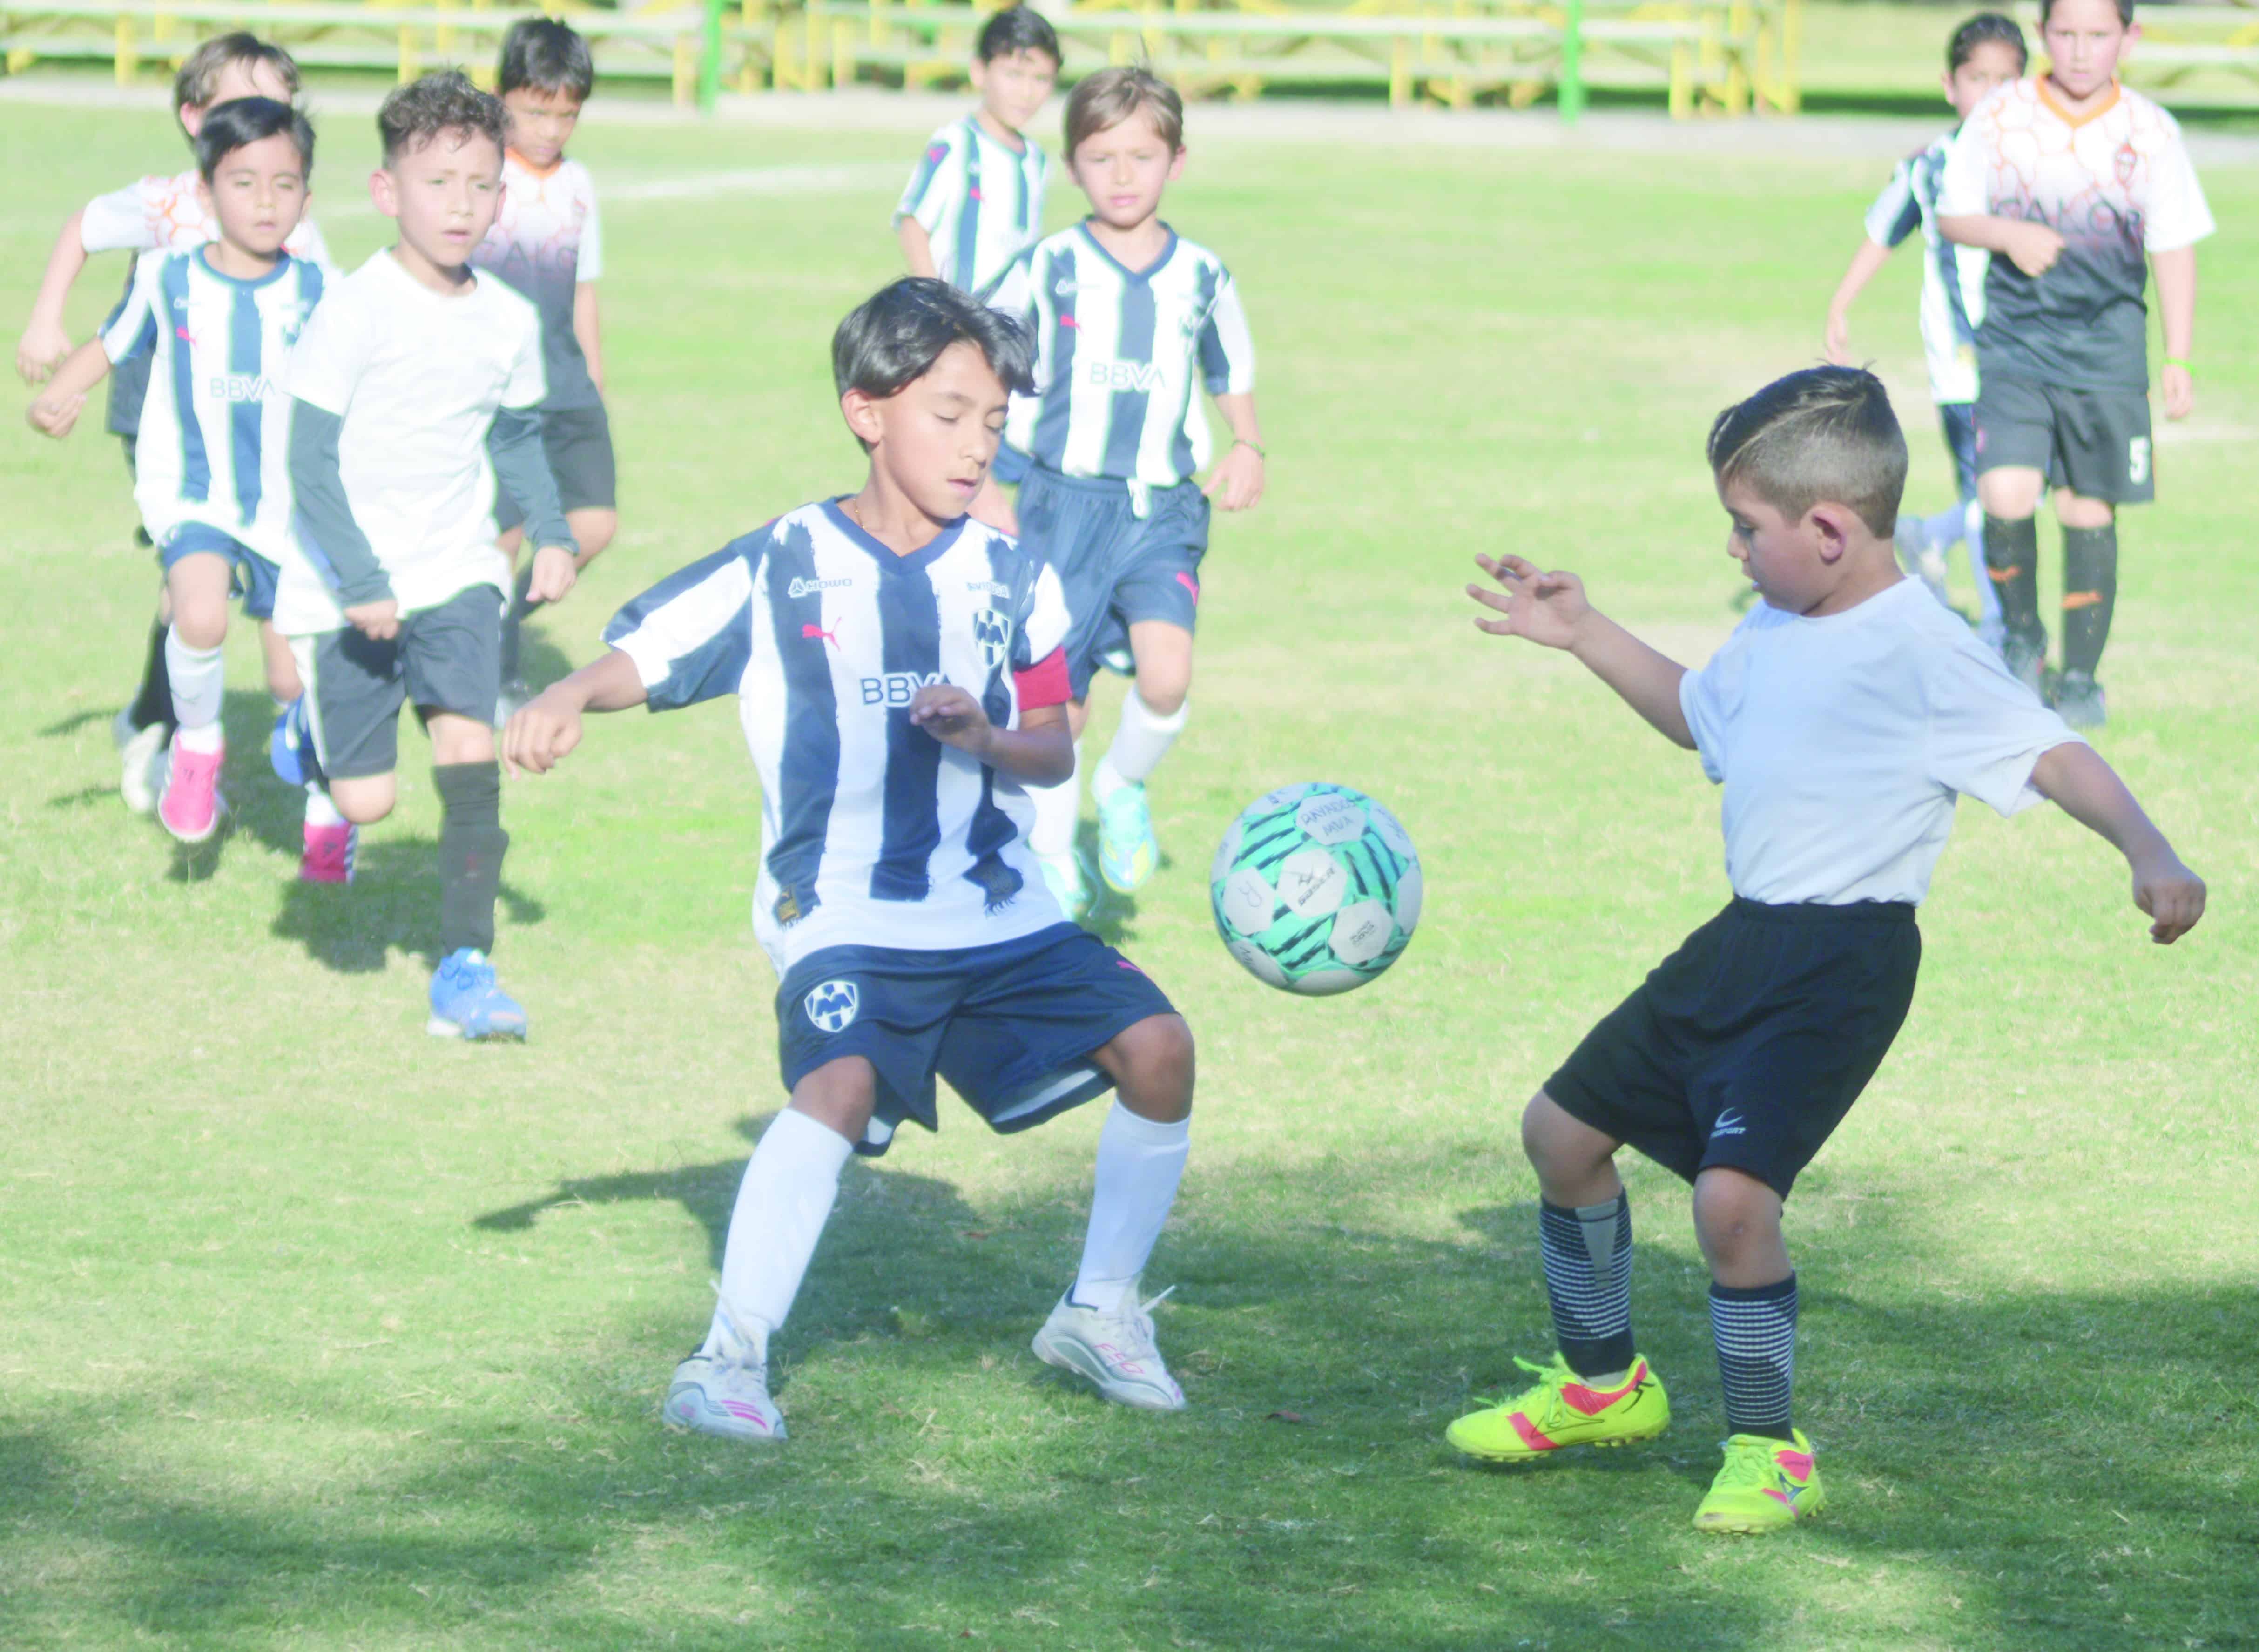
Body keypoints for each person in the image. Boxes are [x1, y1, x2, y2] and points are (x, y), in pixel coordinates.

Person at [1448, 366, 2204, 1534]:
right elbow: (1700, 712)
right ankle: (1604, 1384)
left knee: (1731, 1202)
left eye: (1745, 530)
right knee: (1559, 1134)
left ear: (1830, 530)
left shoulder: (1923, 647)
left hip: (1842, 963)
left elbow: (2052, 754)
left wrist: (2146, 851)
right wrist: (1584, 633)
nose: (1736, 553)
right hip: (1741, 938)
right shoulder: (1773, 625)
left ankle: (1768, 1448)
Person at [502, 279, 1200, 1442]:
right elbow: (651, 651)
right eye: (950, 413)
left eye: (993, 421)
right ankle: (725, 1362)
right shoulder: (787, 559)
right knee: (835, 1087)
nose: (978, 446)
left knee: (1160, 1048)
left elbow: (1049, 741)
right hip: (843, 912)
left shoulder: (1018, 578)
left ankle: (1100, 1309)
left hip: (998, 909)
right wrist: (571, 691)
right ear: (866, 411)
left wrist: (985, 737)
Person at [276, 71, 579, 1036]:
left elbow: (518, 438)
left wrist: (555, 531)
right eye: (439, 182)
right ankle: (313, 745)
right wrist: (361, 582)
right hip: (349, 576)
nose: (461, 205)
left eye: (481, 184)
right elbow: (307, 460)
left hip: (456, 568)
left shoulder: (505, 318)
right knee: (367, 803)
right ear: (386, 191)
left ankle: (465, 966)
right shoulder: (353, 309)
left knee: (469, 748)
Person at [13, 33, 328, 814]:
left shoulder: (289, 216)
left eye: (278, 107)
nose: (260, 120)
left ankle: (159, 723)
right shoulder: (167, 201)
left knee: (219, 596)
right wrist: (46, 321)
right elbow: (82, 228)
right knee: (193, 578)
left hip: (264, 428)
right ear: (196, 121)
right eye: (238, 105)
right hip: (163, 409)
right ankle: (171, 739)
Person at [1004, 67, 1264, 917]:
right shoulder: (1047, 267)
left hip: (1160, 509)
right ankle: (1049, 846)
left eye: (1141, 156)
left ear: (1176, 162)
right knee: (1060, 706)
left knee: (1166, 673)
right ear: (1072, 166)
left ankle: (1120, 787)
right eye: (1100, 156)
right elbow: (978, 357)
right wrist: (984, 481)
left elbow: (1228, 365)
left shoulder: (1201, 274)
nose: (1122, 174)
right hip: (1055, 507)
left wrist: (1247, 443)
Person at [1937, 0, 2213, 728]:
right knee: (2004, 492)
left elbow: (2173, 245)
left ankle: (2082, 677)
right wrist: (2006, 233)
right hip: (2017, 344)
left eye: (2099, 35)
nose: (2082, 51)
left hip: (2107, 351)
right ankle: (2021, 641)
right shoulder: (2002, 118)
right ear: (2042, 36)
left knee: (2085, 509)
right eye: (2065, 34)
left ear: (2130, 36)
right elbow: (1952, 212)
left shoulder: (2151, 131)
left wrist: (2176, 354)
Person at [1824, 12, 2026, 652]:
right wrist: (1841, 304)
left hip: (2034, 352)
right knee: (1990, 487)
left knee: (2029, 484)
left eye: (2006, 80)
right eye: (1977, 78)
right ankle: (1999, 624)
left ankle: (1931, 536)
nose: (1991, 94)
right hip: (1963, 359)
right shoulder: (1930, 167)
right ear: (1950, 85)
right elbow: (1883, 232)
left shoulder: (2039, 164)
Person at [472, 15, 617, 721]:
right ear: (501, 98)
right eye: (536, 112)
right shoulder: (478, 177)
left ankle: (483, 624)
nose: (552, 129)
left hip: (566, 384)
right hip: (500, 392)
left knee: (593, 525)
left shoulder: (579, 184)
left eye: (567, 115)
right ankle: (495, 676)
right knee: (502, 535)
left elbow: (583, 287)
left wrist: (595, 375)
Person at [893, 4, 1059, 305]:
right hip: (957, 319)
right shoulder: (956, 143)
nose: (1026, 91)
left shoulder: (1037, 160)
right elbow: (913, 224)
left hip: (1010, 326)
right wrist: (937, 305)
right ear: (979, 72)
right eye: (1014, 74)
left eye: (1040, 79)